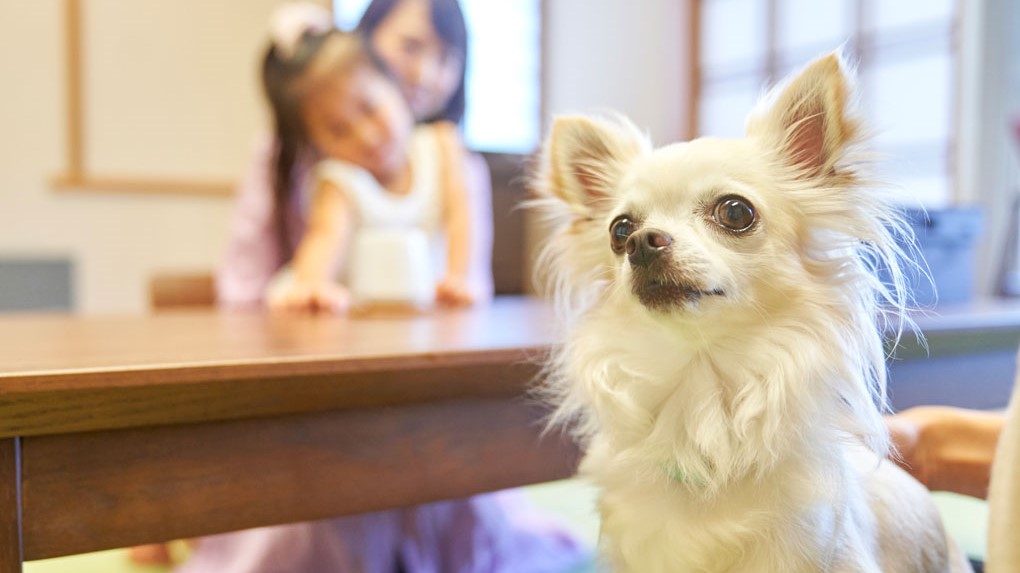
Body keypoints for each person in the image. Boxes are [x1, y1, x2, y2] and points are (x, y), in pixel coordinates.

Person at [134, 3, 589, 573]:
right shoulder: (331, 177)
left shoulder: (447, 156)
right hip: (324, 386)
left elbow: (466, 265)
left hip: (424, 382)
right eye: (413, 47)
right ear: (370, 40)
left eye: (447, 58)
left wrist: (458, 284)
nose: (427, 73)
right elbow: (296, 264)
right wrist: (309, 289)